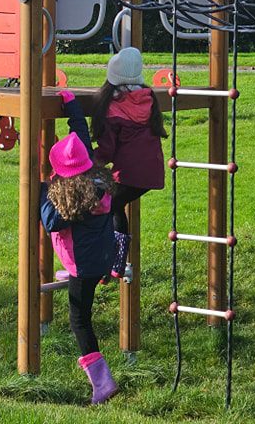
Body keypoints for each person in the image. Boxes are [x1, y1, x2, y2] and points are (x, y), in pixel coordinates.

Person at [40, 90, 118, 405]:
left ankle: (102, 383)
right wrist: (70, 103)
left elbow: (50, 222)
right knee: (81, 279)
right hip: (101, 254)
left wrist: (42, 190)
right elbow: (80, 136)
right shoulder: (95, 179)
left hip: (84, 265)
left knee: (79, 319)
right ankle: (79, 272)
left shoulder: (69, 202)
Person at [91, 46, 167, 281]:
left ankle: (111, 263)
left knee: (105, 206)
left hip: (130, 174)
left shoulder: (114, 107)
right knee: (114, 206)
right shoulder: (147, 97)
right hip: (151, 171)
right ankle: (114, 263)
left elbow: (107, 151)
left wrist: (87, 161)